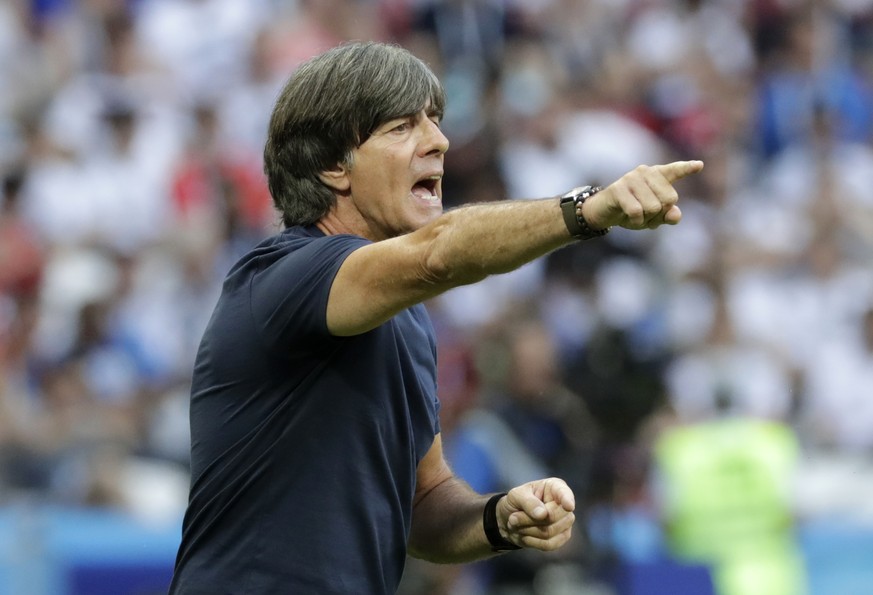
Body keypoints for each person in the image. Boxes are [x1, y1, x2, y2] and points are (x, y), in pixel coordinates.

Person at [168, 41, 703, 594]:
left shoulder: (408, 320)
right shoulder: (284, 276)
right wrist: (587, 211)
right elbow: (439, 252)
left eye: (436, 121)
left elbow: (423, 503)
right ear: (332, 165)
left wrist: (499, 517)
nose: (440, 141)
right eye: (402, 127)